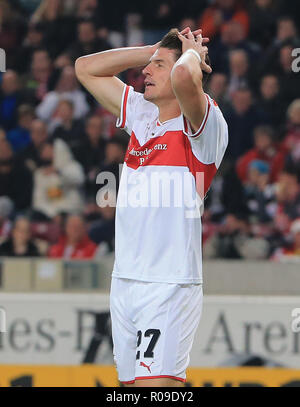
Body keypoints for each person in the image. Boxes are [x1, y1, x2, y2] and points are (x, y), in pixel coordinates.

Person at [75, 26, 228, 387]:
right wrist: (154, 49)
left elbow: (184, 77)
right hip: (125, 281)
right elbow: (85, 68)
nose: (145, 70)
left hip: (169, 283)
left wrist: (191, 55)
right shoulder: (143, 114)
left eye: (156, 65)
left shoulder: (204, 126)